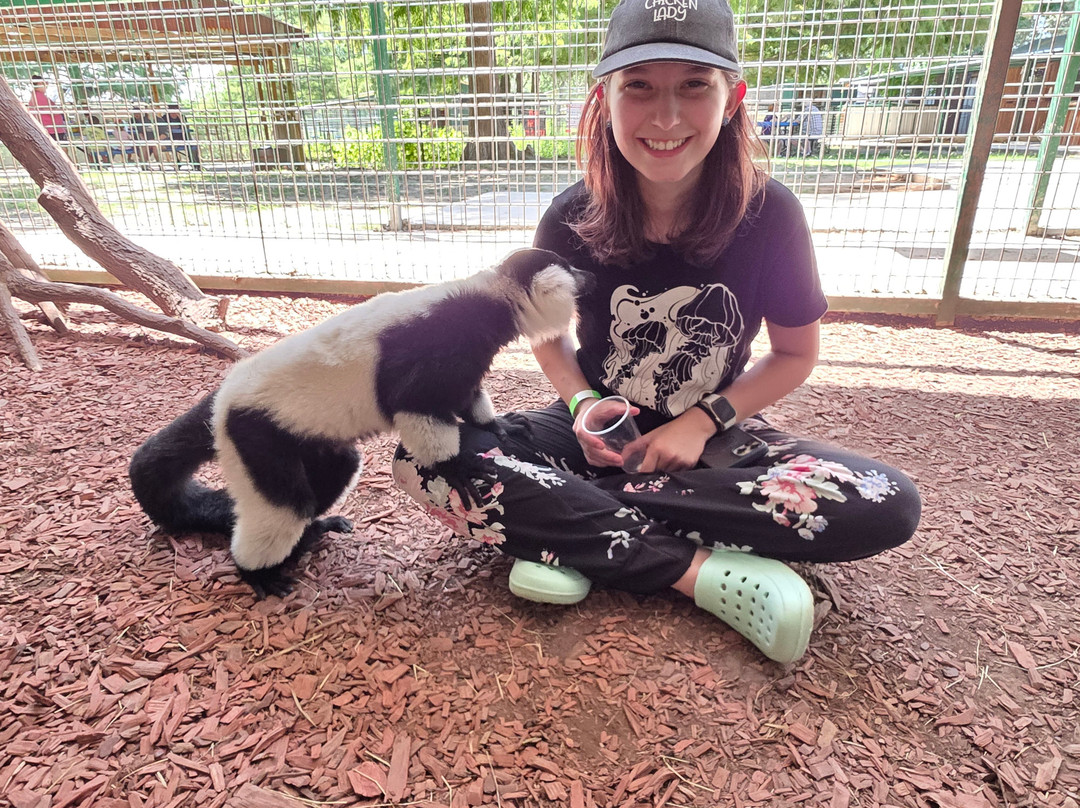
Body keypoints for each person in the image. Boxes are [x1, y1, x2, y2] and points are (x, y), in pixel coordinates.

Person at [392, 0, 921, 664]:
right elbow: (548, 337)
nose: (665, 117)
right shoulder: (567, 216)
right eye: (638, 85)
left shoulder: (773, 214)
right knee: (421, 457)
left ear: (732, 99)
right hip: (593, 433)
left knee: (887, 503)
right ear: (604, 97)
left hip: (713, 436)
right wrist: (584, 406)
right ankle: (695, 571)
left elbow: (794, 354)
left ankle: (568, 526)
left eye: (694, 86)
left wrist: (700, 423)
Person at [159, 103, 202, 169]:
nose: (173, 112)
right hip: (170, 138)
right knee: (172, 145)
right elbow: (163, 129)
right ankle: (177, 162)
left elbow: (187, 127)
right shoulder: (164, 118)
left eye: (175, 110)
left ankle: (195, 163)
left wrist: (180, 118)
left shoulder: (182, 117)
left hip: (183, 137)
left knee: (193, 145)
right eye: (171, 110)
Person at [26, 74, 67, 141]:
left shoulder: (37, 96)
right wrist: (63, 110)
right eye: (45, 83)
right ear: (40, 83)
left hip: (51, 129)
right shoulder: (39, 97)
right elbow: (52, 112)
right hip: (52, 129)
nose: (47, 85)